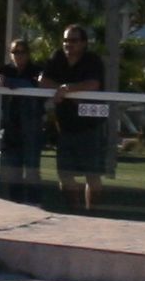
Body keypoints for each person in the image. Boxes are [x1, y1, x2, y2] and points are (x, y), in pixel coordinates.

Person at [48, 25, 113, 211]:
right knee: (64, 174)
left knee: (92, 175)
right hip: (65, 126)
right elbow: (42, 80)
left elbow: (93, 84)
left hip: (91, 124)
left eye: (74, 41)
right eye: (66, 40)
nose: (69, 44)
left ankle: (92, 214)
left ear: (84, 43)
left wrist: (68, 89)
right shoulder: (57, 57)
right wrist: (60, 88)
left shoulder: (92, 60)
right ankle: (74, 212)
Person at [0, 35, 50, 196]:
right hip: (11, 129)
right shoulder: (6, 71)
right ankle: (15, 206)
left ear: (28, 53)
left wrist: (14, 84)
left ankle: (34, 204)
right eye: (14, 52)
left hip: (32, 129)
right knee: (12, 174)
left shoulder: (36, 70)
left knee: (32, 171)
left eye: (22, 52)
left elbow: (40, 84)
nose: (18, 55)